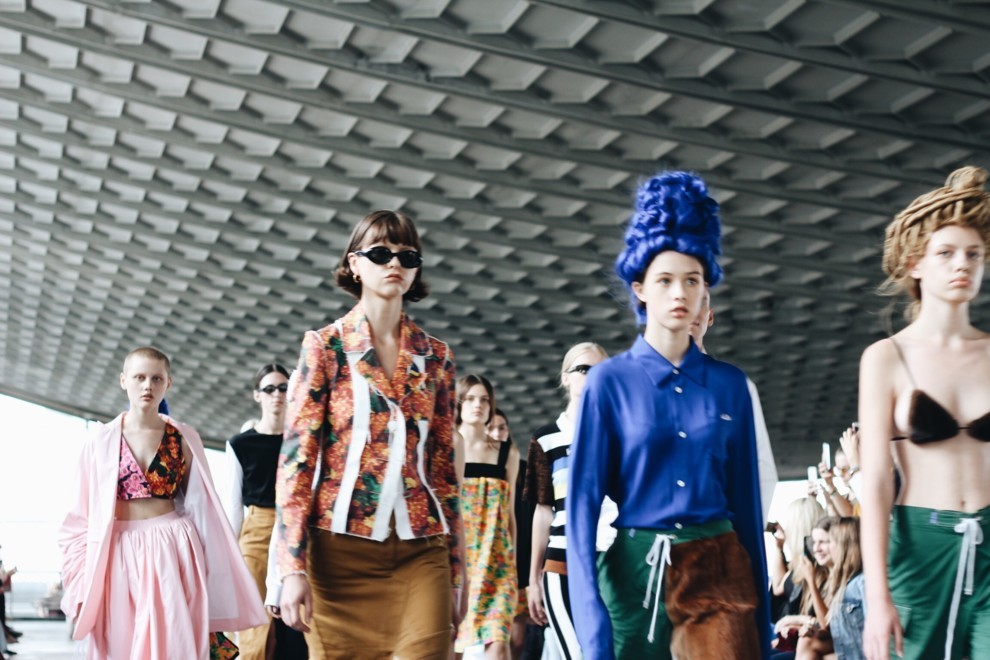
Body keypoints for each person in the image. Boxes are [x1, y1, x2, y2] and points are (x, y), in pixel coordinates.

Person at [566, 171, 770, 659]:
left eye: (692, 280)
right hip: (635, 572)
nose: (679, 293)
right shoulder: (607, 383)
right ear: (640, 288)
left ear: (705, 290)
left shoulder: (731, 387)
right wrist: (591, 623)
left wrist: (760, 627)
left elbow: (747, 508)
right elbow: (582, 508)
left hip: (717, 566)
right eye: (665, 280)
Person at [276, 210, 463, 659]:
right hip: (337, 557)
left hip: (422, 551)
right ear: (354, 264)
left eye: (407, 255)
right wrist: (291, 567)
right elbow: (297, 462)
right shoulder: (325, 346)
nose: (394, 262)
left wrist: (458, 572)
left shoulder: (437, 357)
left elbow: (443, 471)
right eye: (380, 253)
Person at [58, 346, 266, 658]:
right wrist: (79, 581)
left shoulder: (183, 437)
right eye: (139, 377)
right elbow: (79, 516)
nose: (148, 385)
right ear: (123, 380)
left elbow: (203, 507)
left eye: (156, 378)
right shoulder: (99, 441)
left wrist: (209, 568)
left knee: (174, 641)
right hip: (117, 553)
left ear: (168, 383)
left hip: (174, 547)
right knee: (121, 644)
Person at [859, 166, 990, 660]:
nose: (963, 265)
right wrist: (877, 598)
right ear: (915, 263)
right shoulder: (886, 358)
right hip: (919, 548)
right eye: (946, 253)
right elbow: (875, 481)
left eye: (973, 254)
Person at [524, 341, 608, 660]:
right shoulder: (546, 438)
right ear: (566, 377)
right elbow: (543, 511)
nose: (591, 376)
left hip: (613, 562)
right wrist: (533, 579)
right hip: (562, 562)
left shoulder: (619, 433)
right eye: (583, 369)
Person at [225, 363, 307, 660]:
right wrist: (229, 554)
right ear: (257, 395)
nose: (277, 395)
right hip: (257, 530)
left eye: (283, 387)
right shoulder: (240, 444)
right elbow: (233, 505)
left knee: (297, 619)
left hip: (297, 530)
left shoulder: (302, 440)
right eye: (269, 389)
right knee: (255, 623)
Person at [690, 290, 779, 524]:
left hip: (716, 533)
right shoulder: (631, 382)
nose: (692, 311)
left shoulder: (736, 386)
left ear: (710, 316)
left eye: (700, 303)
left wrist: (742, 535)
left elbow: (760, 470)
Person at [456, 375, 519, 658]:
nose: (477, 405)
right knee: (451, 645)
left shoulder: (507, 453)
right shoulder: (445, 448)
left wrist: (514, 564)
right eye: (469, 399)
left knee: (499, 644)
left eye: (484, 399)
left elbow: (510, 513)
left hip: (497, 563)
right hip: (458, 561)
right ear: (458, 403)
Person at [491, 409, 535, 660]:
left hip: (521, 561)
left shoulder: (524, 470)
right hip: (490, 559)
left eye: (502, 428)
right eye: (492, 428)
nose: (497, 433)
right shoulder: (475, 468)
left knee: (518, 640)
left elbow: (531, 521)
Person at [795, 516, 865, 660]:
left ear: (845, 545)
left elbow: (827, 624)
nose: (816, 549)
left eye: (824, 542)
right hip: (845, 647)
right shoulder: (829, 577)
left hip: (857, 651)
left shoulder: (858, 582)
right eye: (814, 542)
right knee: (805, 642)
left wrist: (811, 581)